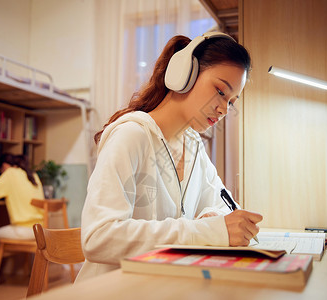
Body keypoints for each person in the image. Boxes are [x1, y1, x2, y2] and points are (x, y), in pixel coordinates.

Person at [76, 32, 263, 281]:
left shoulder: (195, 148)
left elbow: (222, 206)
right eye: (220, 91)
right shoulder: (131, 135)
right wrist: (207, 231)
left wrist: (215, 219)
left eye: (231, 102)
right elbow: (97, 238)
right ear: (184, 74)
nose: (223, 109)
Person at [0, 153, 45, 275]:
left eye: (1, 170)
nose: (1, 173)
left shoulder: (10, 173)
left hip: (23, 231)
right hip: (40, 229)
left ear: (5, 166)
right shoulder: (33, 175)